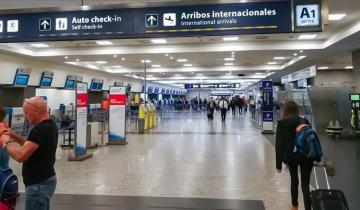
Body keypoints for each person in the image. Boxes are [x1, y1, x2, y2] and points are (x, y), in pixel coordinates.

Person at [0, 97, 58, 210]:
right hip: (45, 180)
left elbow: (20, 156)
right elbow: (30, 145)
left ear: (36, 110)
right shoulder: (49, 125)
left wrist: (5, 142)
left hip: (38, 185)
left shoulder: (40, 130)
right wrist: (13, 136)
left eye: (26, 112)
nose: (25, 116)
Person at [275, 101, 320, 210]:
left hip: (291, 157)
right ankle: (308, 208)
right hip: (306, 155)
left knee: (294, 181)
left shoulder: (282, 123)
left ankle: (294, 206)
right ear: (296, 109)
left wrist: (278, 164)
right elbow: (311, 139)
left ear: (285, 110)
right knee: (306, 184)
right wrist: (317, 157)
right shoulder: (304, 120)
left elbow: (279, 145)